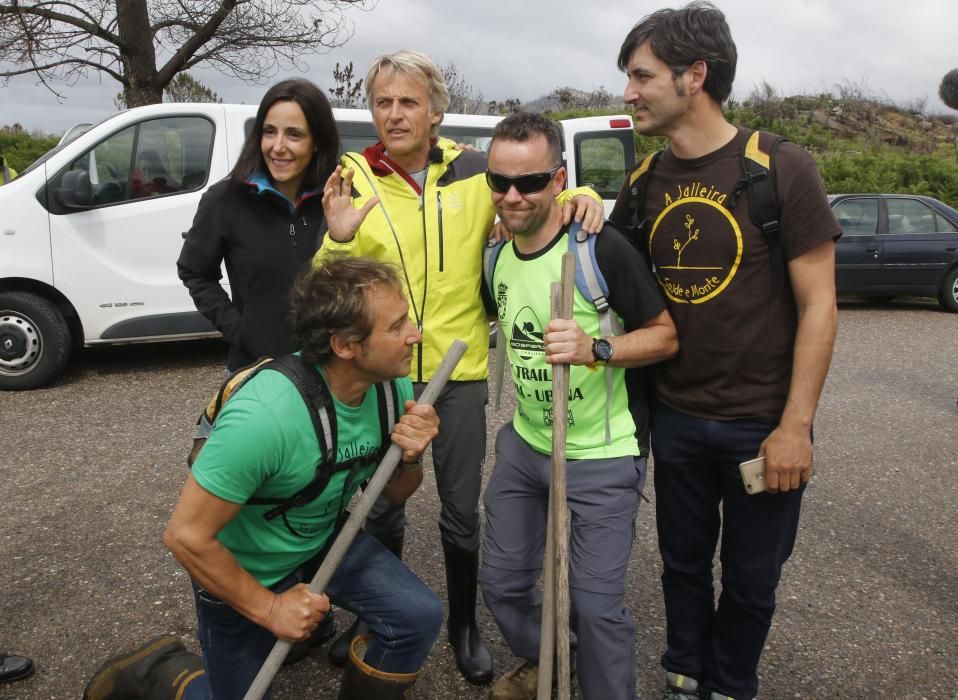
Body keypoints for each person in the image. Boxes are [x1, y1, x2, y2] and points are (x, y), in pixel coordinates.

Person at [315, 49, 605, 685]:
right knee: (379, 507)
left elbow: (531, 193)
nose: (394, 114)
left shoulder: (475, 174)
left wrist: (583, 193)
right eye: (383, 102)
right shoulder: (353, 178)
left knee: (460, 510)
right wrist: (334, 240)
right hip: (384, 377)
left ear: (436, 111)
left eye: (408, 101)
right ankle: (375, 615)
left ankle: (464, 625)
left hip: (462, 371)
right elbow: (321, 290)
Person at [609, 4, 841, 699]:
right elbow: (604, 267)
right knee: (680, 565)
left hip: (760, 425)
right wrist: (577, 209)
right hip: (676, 417)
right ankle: (684, 672)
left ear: (695, 75)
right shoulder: (643, 183)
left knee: (750, 578)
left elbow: (820, 304)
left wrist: (795, 426)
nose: (628, 92)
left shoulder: (780, 168)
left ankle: (733, 682)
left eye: (642, 75)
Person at [83, 257, 444, 700]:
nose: (416, 334)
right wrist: (271, 608)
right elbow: (185, 536)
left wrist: (410, 458)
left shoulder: (390, 386)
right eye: (397, 326)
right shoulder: (265, 417)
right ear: (346, 346)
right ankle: (160, 671)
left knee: (416, 617)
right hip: (243, 566)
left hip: (322, 538)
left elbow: (395, 492)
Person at [478, 113, 679, 700]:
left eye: (531, 181)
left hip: (602, 452)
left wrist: (596, 347)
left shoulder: (601, 250)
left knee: (595, 608)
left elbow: (666, 336)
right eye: (500, 181)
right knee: (503, 583)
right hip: (526, 444)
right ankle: (550, 658)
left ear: (559, 179)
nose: (513, 195)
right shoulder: (495, 254)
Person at [177, 78, 338, 373]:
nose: (278, 147)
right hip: (256, 371)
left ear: (317, 142)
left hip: (329, 373)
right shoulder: (225, 200)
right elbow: (194, 271)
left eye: (294, 135)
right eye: (269, 132)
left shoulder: (336, 203)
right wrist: (239, 330)